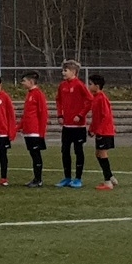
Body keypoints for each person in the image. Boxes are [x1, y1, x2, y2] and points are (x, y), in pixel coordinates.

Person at [56, 59, 93, 189]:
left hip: (78, 126)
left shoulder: (79, 85)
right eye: (63, 70)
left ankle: (78, 178)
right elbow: (58, 100)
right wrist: (60, 115)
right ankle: (67, 177)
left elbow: (90, 101)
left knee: (78, 151)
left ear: (73, 72)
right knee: (65, 151)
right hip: (67, 126)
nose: (63, 73)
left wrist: (80, 115)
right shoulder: (62, 85)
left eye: (65, 70)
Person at [18, 71, 49, 188]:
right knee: (33, 155)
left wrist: (41, 133)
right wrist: (19, 127)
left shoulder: (38, 94)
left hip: (35, 132)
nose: (22, 83)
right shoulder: (29, 94)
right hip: (28, 131)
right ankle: (36, 178)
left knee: (36, 155)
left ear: (31, 82)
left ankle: (38, 179)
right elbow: (27, 114)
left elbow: (43, 114)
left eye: (24, 81)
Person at [88, 74, 117, 190]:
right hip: (101, 131)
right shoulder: (95, 97)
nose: (88, 86)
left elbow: (106, 116)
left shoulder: (101, 98)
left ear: (97, 86)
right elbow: (96, 117)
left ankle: (107, 182)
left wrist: (99, 130)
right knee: (98, 154)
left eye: (90, 84)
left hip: (105, 131)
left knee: (102, 154)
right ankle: (110, 177)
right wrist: (92, 128)